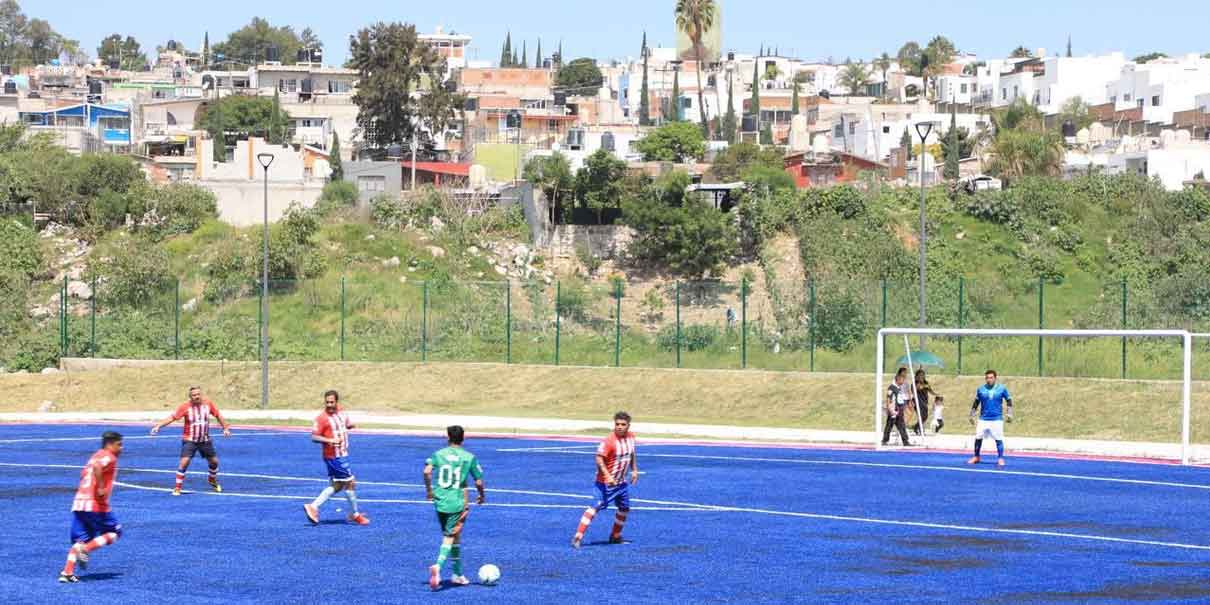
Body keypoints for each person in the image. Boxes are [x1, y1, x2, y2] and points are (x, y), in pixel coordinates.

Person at [424, 425, 485, 591]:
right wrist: (481, 495)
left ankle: (458, 574)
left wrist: (429, 490)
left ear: (448, 437)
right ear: (463, 439)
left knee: (455, 535)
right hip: (456, 502)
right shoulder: (469, 457)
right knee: (450, 535)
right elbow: (478, 481)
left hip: (440, 500)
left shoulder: (438, 454)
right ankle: (438, 565)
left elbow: (427, 471)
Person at [59, 431, 124, 583]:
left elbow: (84, 475)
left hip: (79, 502)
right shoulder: (108, 456)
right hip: (95, 504)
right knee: (115, 532)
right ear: (110, 444)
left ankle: (67, 573)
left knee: (80, 540)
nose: (121, 448)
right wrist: (101, 487)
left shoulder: (94, 456)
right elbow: (97, 467)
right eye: (119, 444)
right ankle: (86, 550)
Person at [572, 411, 639, 549]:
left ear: (628, 425)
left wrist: (634, 470)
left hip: (621, 483)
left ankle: (615, 536)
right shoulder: (609, 441)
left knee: (624, 508)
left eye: (623, 424)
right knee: (595, 507)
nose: (619, 427)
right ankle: (578, 536)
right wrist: (607, 476)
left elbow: (631, 453)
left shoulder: (631, 437)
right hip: (605, 484)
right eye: (617, 424)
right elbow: (598, 457)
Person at [304, 390, 369, 526]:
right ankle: (355, 514)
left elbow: (344, 424)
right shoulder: (321, 418)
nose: (329, 405)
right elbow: (314, 437)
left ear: (336, 402)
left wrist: (349, 426)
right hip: (334, 456)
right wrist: (329, 440)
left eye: (332, 402)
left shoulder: (340, 412)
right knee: (351, 482)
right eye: (327, 402)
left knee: (338, 486)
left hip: (342, 454)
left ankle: (313, 506)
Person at [150, 386, 230, 496]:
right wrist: (158, 426)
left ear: (201, 394)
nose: (196, 396)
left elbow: (218, 415)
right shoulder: (185, 407)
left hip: (204, 440)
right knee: (184, 463)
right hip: (190, 440)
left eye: (198, 394)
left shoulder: (208, 404)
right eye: (194, 395)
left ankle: (212, 480)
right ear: (190, 397)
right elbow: (172, 417)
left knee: (214, 462)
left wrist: (225, 428)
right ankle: (177, 488)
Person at [969, 369, 1013, 467]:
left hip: (997, 419)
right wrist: (972, 414)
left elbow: (1009, 400)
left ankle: (1000, 458)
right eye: (987, 378)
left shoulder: (1002, 389)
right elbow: (976, 403)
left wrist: (1009, 413)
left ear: (995, 378)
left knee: (998, 439)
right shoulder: (981, 389)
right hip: (983, 419)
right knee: (978, 437)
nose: (989, 380)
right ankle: (976, 456)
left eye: (991, 378)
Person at [881, 368, 913, 446]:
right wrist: (890, 410)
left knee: (902, 426)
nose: (903, 382)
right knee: (889, 426)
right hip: (894, 411)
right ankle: (885, 440)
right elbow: (888, 399)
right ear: (898, 379)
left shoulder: (898, 388)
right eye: (902, 380)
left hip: (899, 410)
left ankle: (905, 441)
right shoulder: (892, 388)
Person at [912, 368, 943, 435]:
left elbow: (930, 390)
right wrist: (923, 385)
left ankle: (916, 427)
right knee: (921, 416)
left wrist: (936, 394)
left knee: (925, 416)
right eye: (920, 375)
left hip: (924, 401)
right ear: (916, 376)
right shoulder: (914, 383)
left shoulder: (926, 382)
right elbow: (918, 388)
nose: (922, 376)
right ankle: (919, 429)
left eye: (923, 375)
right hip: (917, 402)